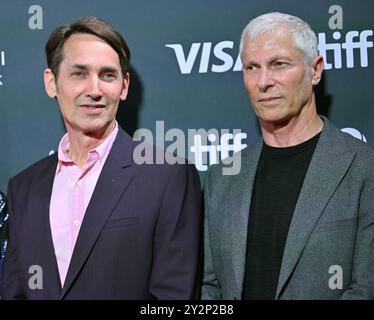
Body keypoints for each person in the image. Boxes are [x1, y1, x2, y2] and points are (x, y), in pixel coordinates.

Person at [1, 16, 202, 299]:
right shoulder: (23, 187)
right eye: (79, 74)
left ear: (124, 86)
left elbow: (173, 298)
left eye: (107, 75)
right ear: (51, 82)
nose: (94, 90)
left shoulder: (167, 176)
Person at [202, 12, 374, 300]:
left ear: (315, 70)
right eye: (252, 67)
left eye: (279, 64)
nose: (264, 82)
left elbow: (367, 289)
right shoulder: (222, 176)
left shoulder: (365, 168)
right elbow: (210, 287)